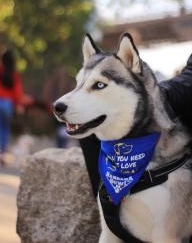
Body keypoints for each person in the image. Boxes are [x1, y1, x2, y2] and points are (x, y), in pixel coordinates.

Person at [80, 53, 192, 199]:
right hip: (177, 90)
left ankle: (106, 199)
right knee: (89, 121)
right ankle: (105, 199)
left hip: (177, 94)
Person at [0, 49, 26, 166]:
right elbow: (17, 92)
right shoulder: (13, 74)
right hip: (7, 104)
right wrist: (18, 104)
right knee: (5, 129)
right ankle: (3, 155)